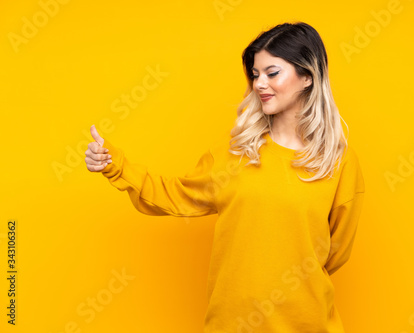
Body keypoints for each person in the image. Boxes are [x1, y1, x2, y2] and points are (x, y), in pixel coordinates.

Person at [85, 21, 365, 333]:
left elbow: (334, 252)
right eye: (256, 74)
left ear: (307, 77)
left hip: (308, 325)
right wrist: (115, 165)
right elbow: (175, 196)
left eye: (272, 73)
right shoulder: (236, 154)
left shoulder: (338, 163)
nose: (260, 84)